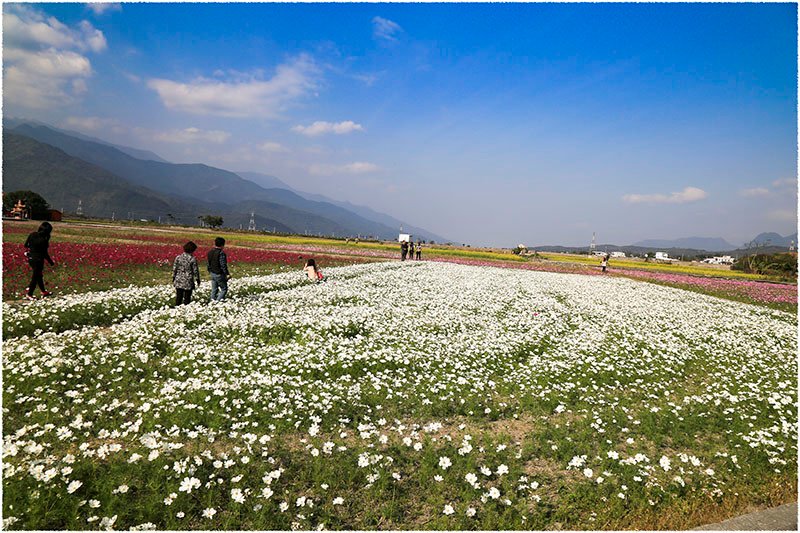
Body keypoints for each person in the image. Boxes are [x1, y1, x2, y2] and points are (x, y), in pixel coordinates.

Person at [23, 221, 55, 300]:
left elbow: (25, 245)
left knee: (39, 276)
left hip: (31, 258)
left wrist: (30, 252)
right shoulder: (44, 240)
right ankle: (29, 294)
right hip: (38, 260)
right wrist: (51, 262)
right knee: (35, 277)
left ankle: (44, 292)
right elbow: (45, 253)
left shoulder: (32, 234)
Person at [173, 241, 201, 305]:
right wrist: (198, 279)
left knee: (179, 296)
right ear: (192, 250)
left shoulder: (178, 257)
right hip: (188, 280)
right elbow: (195, 271)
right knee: (187, 297)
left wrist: (174, 277)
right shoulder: (192, 259)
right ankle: (186, 309)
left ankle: (177, 308)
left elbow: (174, 268)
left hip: (179, 278)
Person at [207, 237, 231, 301]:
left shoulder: (210, 252)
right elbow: (223, 265)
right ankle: (217, 302)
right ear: (223, 245)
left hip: (212, 273)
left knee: (214, 289)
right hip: (219, 273)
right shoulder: (221, 253)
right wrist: (227, 274)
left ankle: (212, 302)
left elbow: (208, 263)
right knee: (224, 289)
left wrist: (209, 270)